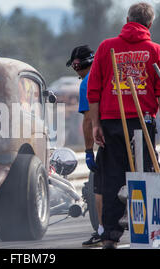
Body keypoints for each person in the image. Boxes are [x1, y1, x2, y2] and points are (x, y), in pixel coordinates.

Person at [87, 2, 160, 249]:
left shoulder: (106, 47)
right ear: (150, 24)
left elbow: (93, 92)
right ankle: (149, 231)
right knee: (146, 176)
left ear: (127, 20)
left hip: (110, 122)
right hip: (142, 122)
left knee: (112, 180)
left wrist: (96, 125)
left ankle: (109, 236)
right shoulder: (156, 51)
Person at [66, 45, 104, 246]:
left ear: (78, 65)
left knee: (98, 186)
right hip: (132, 134)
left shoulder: (86, 83)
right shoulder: (109, 73)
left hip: (107, 140)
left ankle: (103, 230)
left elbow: (89, 120)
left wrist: (89, 151)